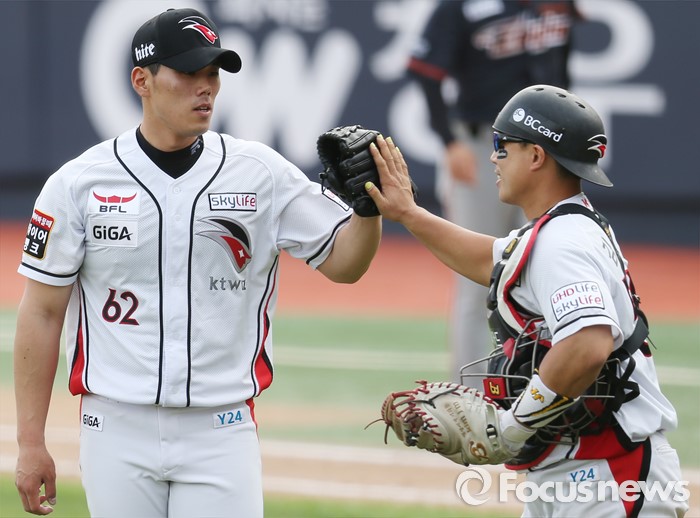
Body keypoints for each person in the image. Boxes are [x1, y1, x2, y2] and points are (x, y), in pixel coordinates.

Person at [13, 7, 381, 517]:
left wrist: (367, 208)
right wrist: (30, 442)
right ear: (142, 81)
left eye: (213, 73)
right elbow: (41, 312)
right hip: (114, 428)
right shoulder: (78, 182)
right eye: (189, 73)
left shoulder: (259, 172)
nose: (205, 87)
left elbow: (345, 264)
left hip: (221, 429)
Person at [367, 85, 688, 516]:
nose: (493, 157)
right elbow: (490, 260)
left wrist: (512, 425)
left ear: (536, 156)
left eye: (502, 144)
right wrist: (408, 213)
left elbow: (587, 344)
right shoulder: (561, 228)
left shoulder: (563, 242)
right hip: (579, 472)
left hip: (611, 474)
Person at [407, 0, 580, 381]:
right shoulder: (462, 6)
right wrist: (450, 142)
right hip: (484, 143)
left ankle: (545, 383)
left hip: (550, 145)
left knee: (554, 263)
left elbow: (562, 66)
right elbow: (424, 70)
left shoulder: (555, 3)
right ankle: (470, 390)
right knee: (478, 275)